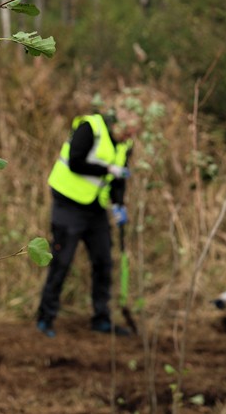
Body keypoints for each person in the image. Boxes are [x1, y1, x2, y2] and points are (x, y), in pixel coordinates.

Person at [35, 108, 138, 337]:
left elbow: (118, 179)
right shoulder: (90, 127)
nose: (130, 136)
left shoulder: (125, 144)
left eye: (134, 132)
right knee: (61, 262)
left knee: (103, 263)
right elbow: (75, 162)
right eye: (128, 131)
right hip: (68, 205)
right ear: (117, 123)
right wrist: (107, 169)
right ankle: (45, 318)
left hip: (95, 209)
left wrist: (119, 204)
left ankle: (101, 319)